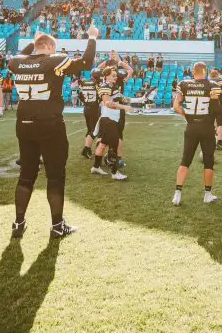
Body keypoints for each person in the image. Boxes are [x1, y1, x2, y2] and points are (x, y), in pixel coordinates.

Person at [8, 25, 98, 239]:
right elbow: (86, 63)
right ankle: (57, 226)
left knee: (26, 176)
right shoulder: (55, 59)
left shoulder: (17, 62)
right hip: (50, 125)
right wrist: (92, 38)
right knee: (55, 177)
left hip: (24, 123)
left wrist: (35, 40)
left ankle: (18, 223)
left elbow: (24, 55)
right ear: (49, 47)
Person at [171, 62, 222, 206]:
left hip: (191, 126)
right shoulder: (212, 85)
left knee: (185, 160)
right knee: (208, 162)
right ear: (205, 72)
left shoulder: (184, 84)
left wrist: (187, 116)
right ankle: (207, 194)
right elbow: (215, 107)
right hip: (206, 127)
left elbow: (176, 106)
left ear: (193, 72)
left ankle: (177, 193)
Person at [91, 67, 135, 180]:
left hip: (112, 119)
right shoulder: (104, 87)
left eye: (116, 75)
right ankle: (115, 173)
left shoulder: (113, 87)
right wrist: (124, 107)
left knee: (103, 143)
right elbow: (108, 103)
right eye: (113, 75)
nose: (115, 77)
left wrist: (139, 100)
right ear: (106, 76)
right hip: (108, 119)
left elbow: (123, 99)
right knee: (113, 145)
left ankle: (95, 167)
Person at [78, 69, 101, 159]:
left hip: (86, 108)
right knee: (95, 130)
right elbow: (100, 95)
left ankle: (88, 149)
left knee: (89, 129)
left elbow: (80, 95)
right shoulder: (97, 83)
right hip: (94, 109)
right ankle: (86, 149)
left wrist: (86, 102)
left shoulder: (84, 82)